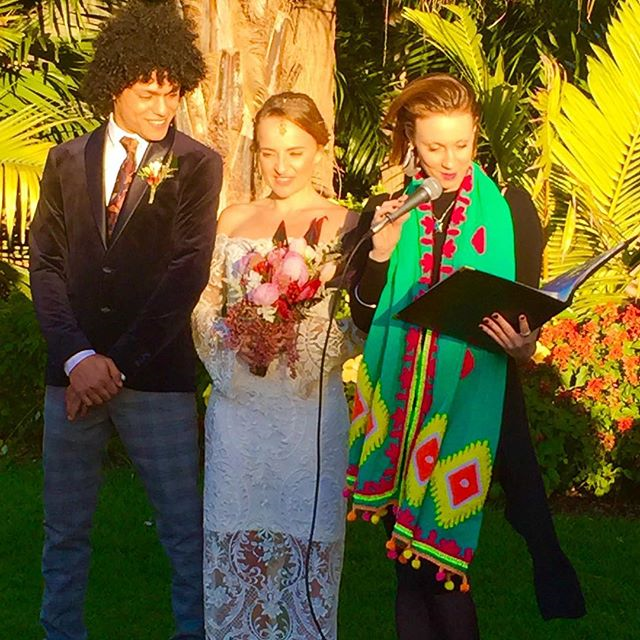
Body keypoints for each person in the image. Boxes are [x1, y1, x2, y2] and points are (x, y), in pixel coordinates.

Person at [345, 73, 585, 639]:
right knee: (407, 569)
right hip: (401, 409)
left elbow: (524, 312)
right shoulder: (390, 210)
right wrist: (378, 253)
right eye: (434, 147)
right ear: (411, 141)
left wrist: (524, 345)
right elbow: (363, 317)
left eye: (462, 144)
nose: (450, 160)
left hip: (475, 406)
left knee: (441, 571)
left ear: (476, 135)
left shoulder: (510, 211)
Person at [28, 1, 222, 638]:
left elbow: (186, 273)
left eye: (174, 93)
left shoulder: (198, 163)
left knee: (182, 529)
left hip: (156, 377)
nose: (164, 108)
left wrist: (115, 366)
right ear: (116, 86)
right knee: (63, 530)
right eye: (148, 94)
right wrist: (77, 358)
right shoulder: (64, 160)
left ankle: (193, 632)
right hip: (70, 378)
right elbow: (46, 265)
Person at [192, 92, 358, 640]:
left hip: (308, 412)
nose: (280, 166)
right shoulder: (235, 218)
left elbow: (360, 321)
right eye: (268, 153)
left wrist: (299, 345)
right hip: (239, 410)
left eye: (294, 152)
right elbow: (203, 302)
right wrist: (233, 344)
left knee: (305, 552)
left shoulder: (347, 224)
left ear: (320, 150)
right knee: (236, 545)